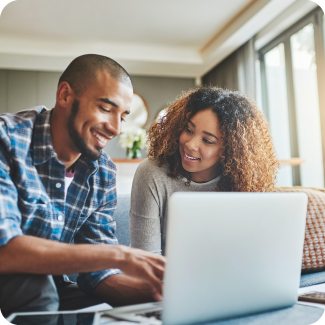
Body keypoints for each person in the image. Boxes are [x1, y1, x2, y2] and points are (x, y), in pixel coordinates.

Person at [0, 54, 165, 318]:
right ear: (65, 95)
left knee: (110, 315)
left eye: (122, 116)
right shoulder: (6, 139)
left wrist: (159, 293)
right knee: (39, 290)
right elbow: (4, 250)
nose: (115, 128)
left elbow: (97, 274)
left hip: (51, 286)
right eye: (105, 108)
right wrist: (119, 254)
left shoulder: (102, 172)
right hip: (16, 280)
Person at [130, 86, 279, 255]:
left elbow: (252, 252)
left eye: (207, 140)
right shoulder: (152, 173)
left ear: (230, 149)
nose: (191, 145)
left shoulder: (244, 182)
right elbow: (145, 260)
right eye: (189, 130)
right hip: (163, 278)